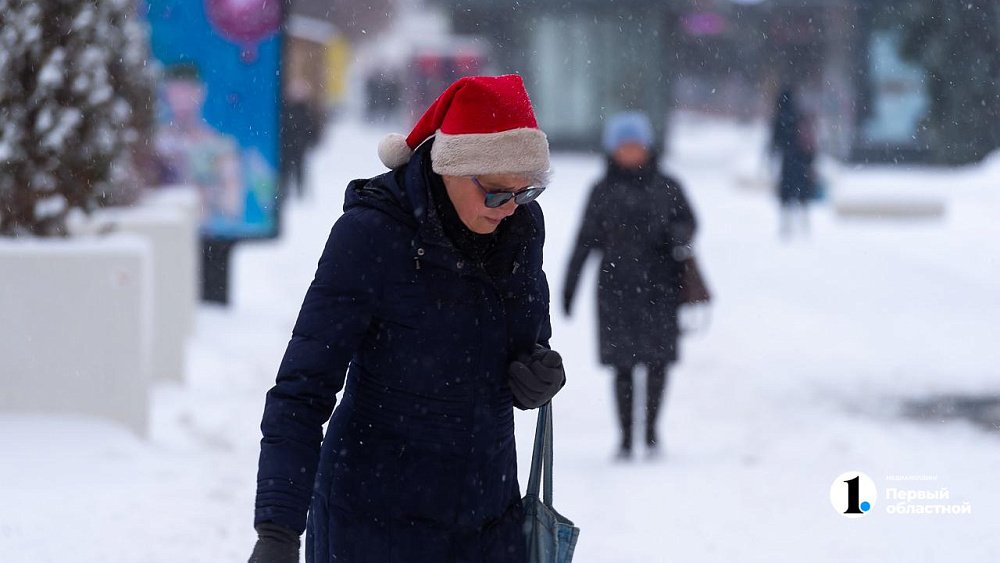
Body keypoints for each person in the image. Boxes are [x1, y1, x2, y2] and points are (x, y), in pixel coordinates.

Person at [249, 75, 565, 563]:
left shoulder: (520, 228)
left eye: (525, 193)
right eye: (497, 193)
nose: (509, 209)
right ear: (450, 167)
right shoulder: (372, 235)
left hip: (487, 517)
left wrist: (537, 372)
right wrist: (277, 529)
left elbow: (527, 337)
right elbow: (303, 388)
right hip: (373, 522)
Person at [563, 112, 696, 460]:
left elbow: (689, 221)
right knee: (622, 366)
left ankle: (651, 433)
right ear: (611, 150)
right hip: (615, 289)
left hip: (660, 287)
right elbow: (584, 240)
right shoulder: (601, 191)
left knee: (658, 364)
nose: (630, 151)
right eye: (623, 145)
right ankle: (625, 437)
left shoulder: (668, 186)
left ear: (648, 147)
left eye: (636, 144)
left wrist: (681, 237)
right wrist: (569, 287)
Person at [154, 63, 243, 226]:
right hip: (164, 232)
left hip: (206, 234)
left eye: (188, 90)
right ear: (166, 94)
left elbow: (232, 207)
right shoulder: (156, 143)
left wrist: (200, 190)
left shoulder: (221, 147)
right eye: (176, 90)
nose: (182, 98)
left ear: (201, 92)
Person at [770, 87, 817, 238]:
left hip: (788, 162)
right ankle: (804, 225)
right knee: (802, 194)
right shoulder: (799, 115)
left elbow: (775, 141)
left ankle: (786, 226)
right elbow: (808, 140)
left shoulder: (780, 117)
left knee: (786, 194)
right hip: (802, 161)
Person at [280, 79, 322, 200]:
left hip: (296, 146)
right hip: (292, 146)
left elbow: (312, 130)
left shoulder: (302, 111)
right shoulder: (290, 110)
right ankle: (290, 192)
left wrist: (310, 140)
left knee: (296, 170)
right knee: (291, 170)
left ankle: (297, 192)